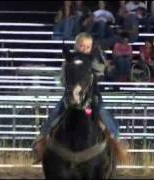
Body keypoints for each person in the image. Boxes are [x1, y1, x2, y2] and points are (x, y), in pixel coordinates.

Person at [32, 32, 120, 163]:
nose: (84, 49)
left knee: (104, 113)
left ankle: (115, 140)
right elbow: (63, 78)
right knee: (55, 113)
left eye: (87, 46)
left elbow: (101, 70)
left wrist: (102, 64)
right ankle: (42, 139)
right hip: (69, 97)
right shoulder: (68, 61)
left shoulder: (92, 60)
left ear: (91, 48)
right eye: (81, 46)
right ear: (76, 46)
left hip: (91, 96)